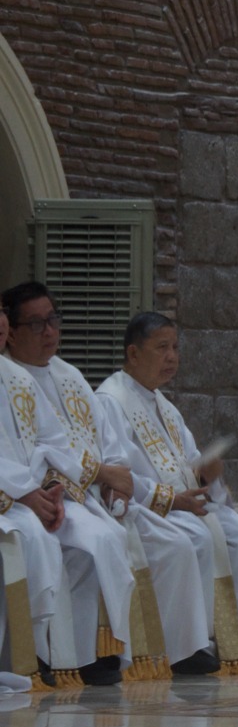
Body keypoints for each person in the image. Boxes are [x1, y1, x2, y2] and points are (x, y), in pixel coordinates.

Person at [94, 312, 238, 672]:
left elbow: (191, 464)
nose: (172, 356)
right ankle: (187, 647)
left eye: (175, 347)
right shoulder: (111, 400)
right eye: (162, 348)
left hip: (185, 503)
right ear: (134, 354)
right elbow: (117, 474)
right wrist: (172, 500)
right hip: (144, 507)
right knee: (196, 540)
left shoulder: (166, 407)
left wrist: (208, 475)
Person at [3, 282, 145, 684]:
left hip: (72, 494)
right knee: (92, 544)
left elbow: (82, 439)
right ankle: (47, 656)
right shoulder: (17, 377)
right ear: (12, 331)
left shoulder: (68, 375)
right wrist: (59, 484)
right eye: (36, 324)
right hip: (39, 494)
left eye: (53, 320)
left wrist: (113, 475)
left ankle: (90, 652)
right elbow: (40, 452)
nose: (49, 331)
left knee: (103, 543)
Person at [0, 349, 95, 687]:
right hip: (13, 499)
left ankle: (49, 653)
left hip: (27, 496)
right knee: (28, 537)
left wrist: (51, 485)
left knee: (67, 538)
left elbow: (53, 441)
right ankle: (23, 657)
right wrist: (24, 492)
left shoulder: (19, 378)